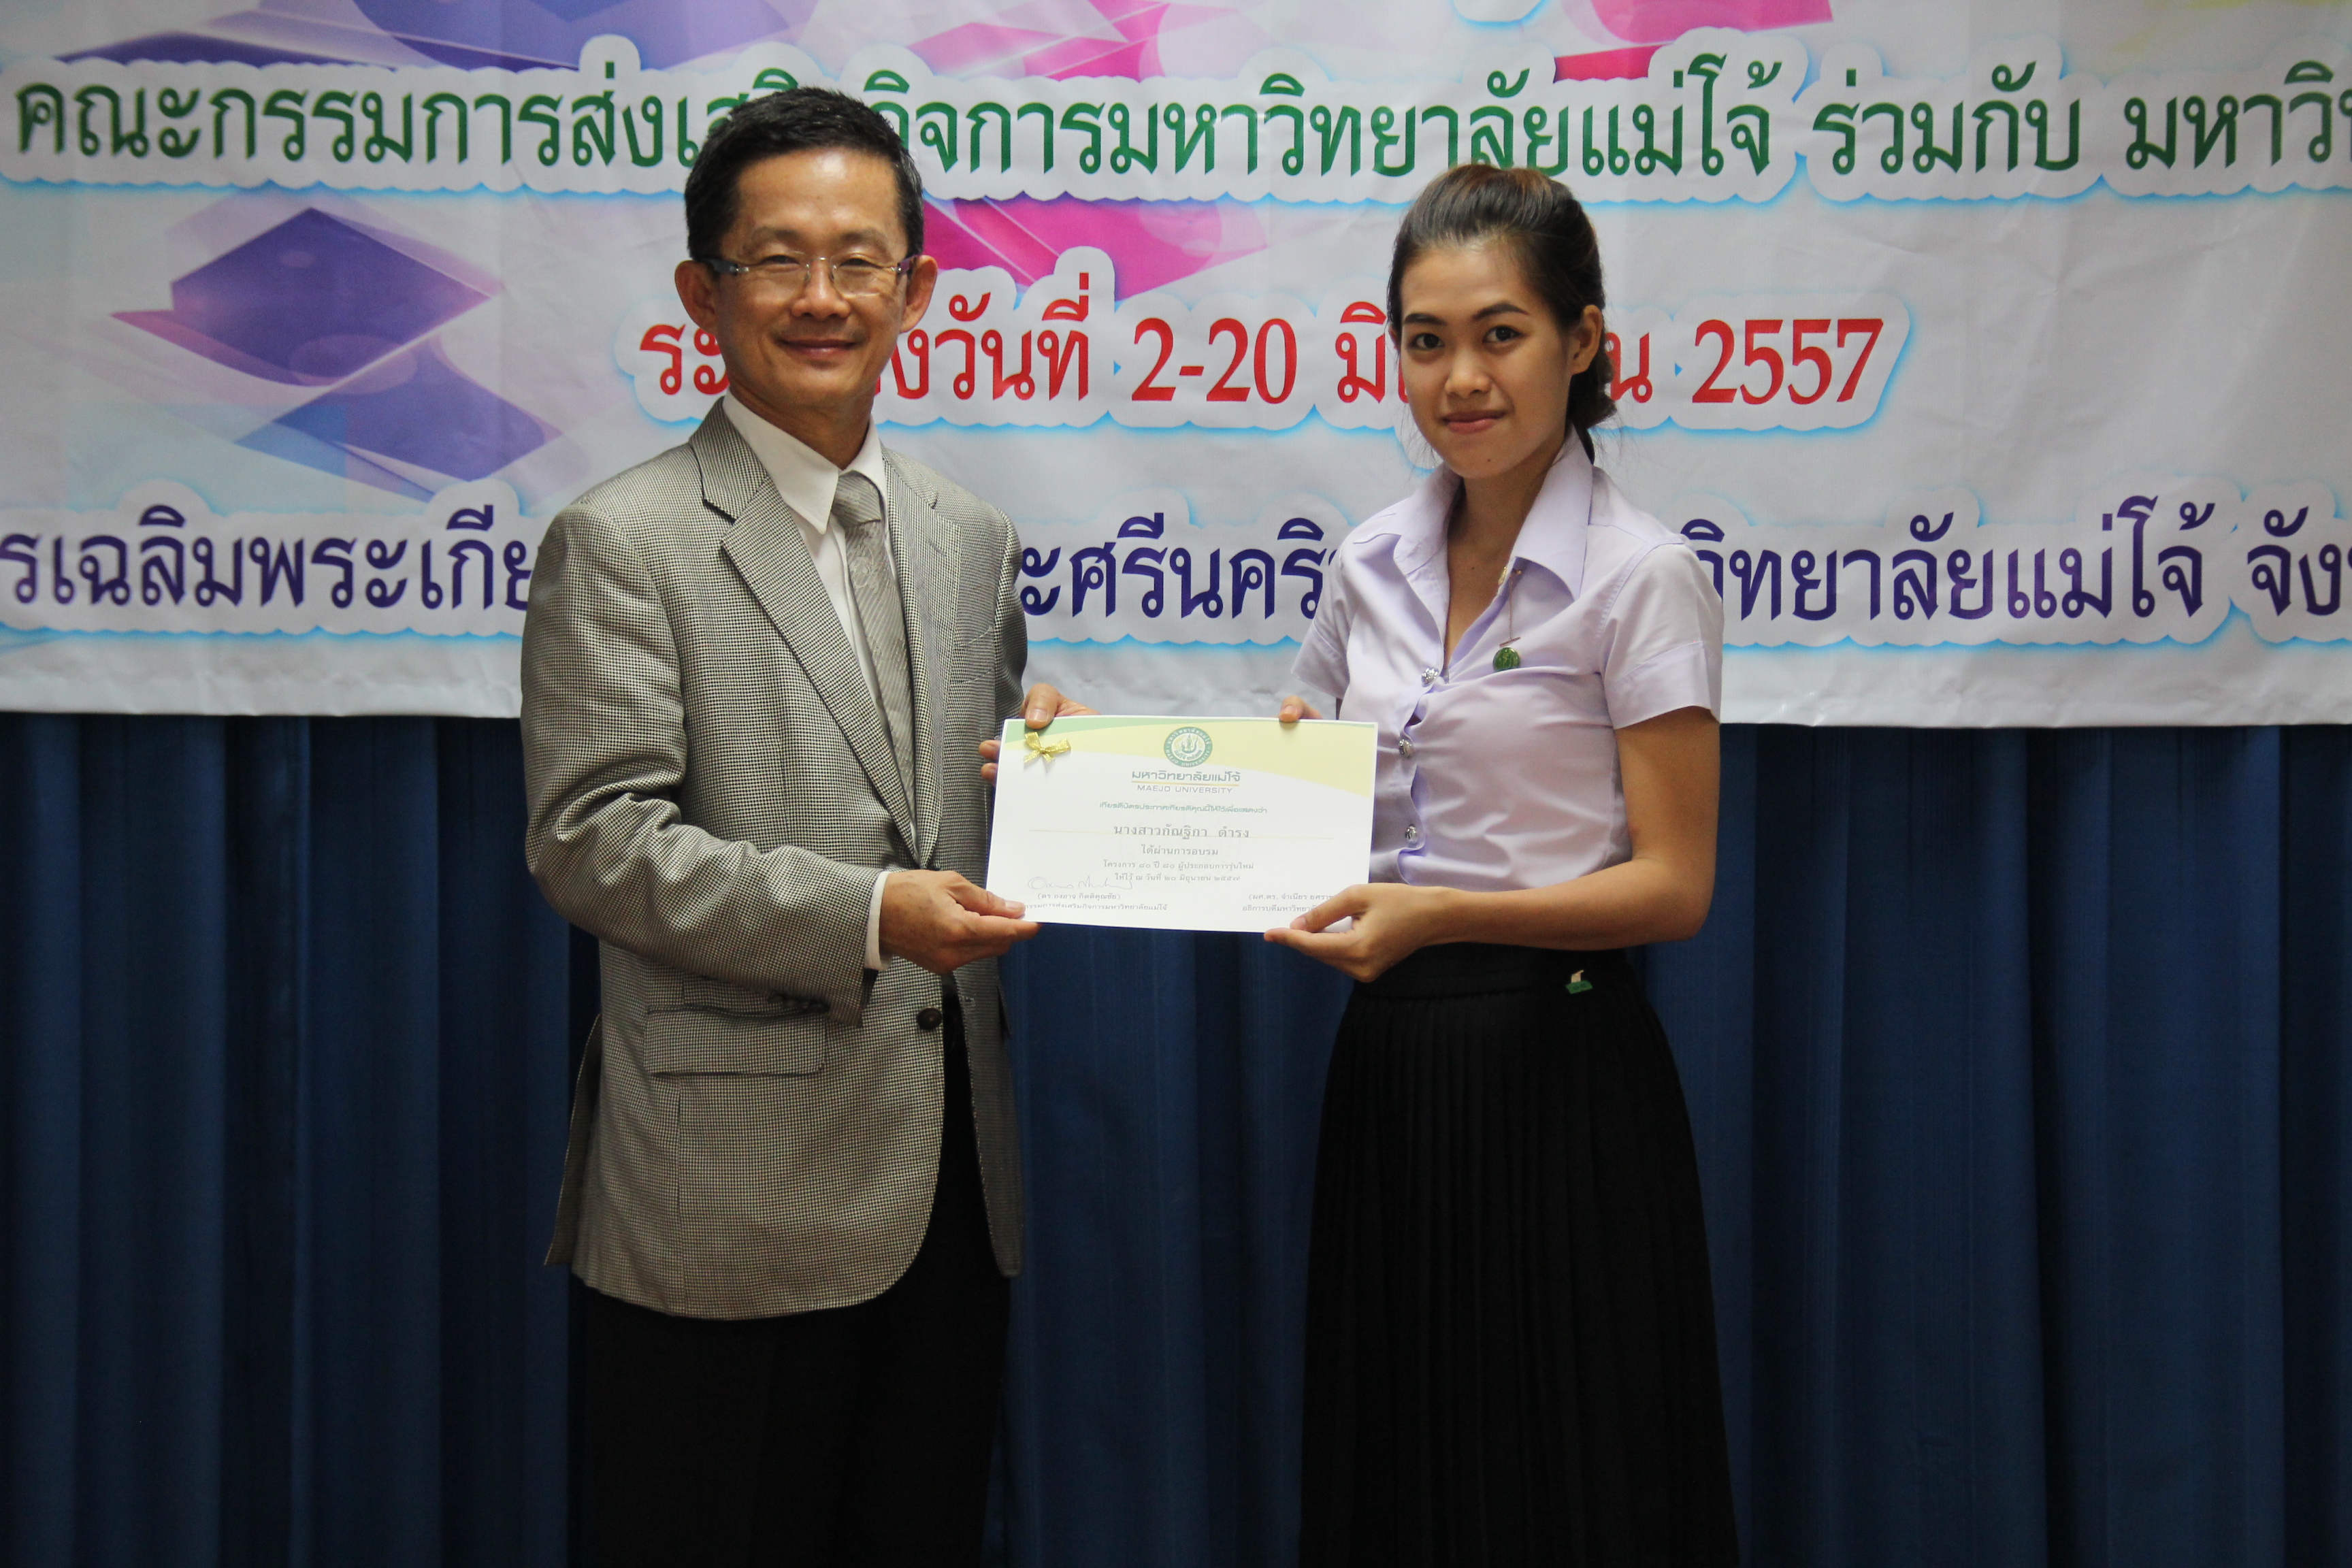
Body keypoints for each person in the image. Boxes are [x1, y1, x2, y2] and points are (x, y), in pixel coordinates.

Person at [521, 87, 1083, 1567]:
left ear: (918, 286)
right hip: (727, 1202)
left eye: (857, 260)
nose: (821, 297)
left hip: (949, 1189)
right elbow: (593, 840)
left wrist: (1080, 782)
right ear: (703, 290)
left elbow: (965, 820)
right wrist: (870, 916)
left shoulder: (970, 537)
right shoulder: (621, 539)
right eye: (777, 259)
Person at [1269, 163, 1738, 1566]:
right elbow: (1290, 784)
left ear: (1583, 342)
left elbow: (1676, 887)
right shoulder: (1368, 563)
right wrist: (1078, 767)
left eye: (1500, 334)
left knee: (1567, 1479)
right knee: (1405, 1476)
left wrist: (1440, 916)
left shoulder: (1640, 575)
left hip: (1562, 1072)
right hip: (1393, 1064)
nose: (1460, 378)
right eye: (1426, 341)